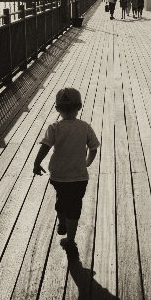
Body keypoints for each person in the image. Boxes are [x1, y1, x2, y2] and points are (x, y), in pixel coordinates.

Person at [33, 87, 100, 255]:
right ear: (79, 107)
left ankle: (61, 222)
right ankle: (70, 240)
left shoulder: (54, 127)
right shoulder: (85, 127)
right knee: (74, 206)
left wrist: (37, 162)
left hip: (59, 175)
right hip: (79, 176)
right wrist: (87, 163)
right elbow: (93, 148)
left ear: (57, 109)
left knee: (61, 199)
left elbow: (45, 146)